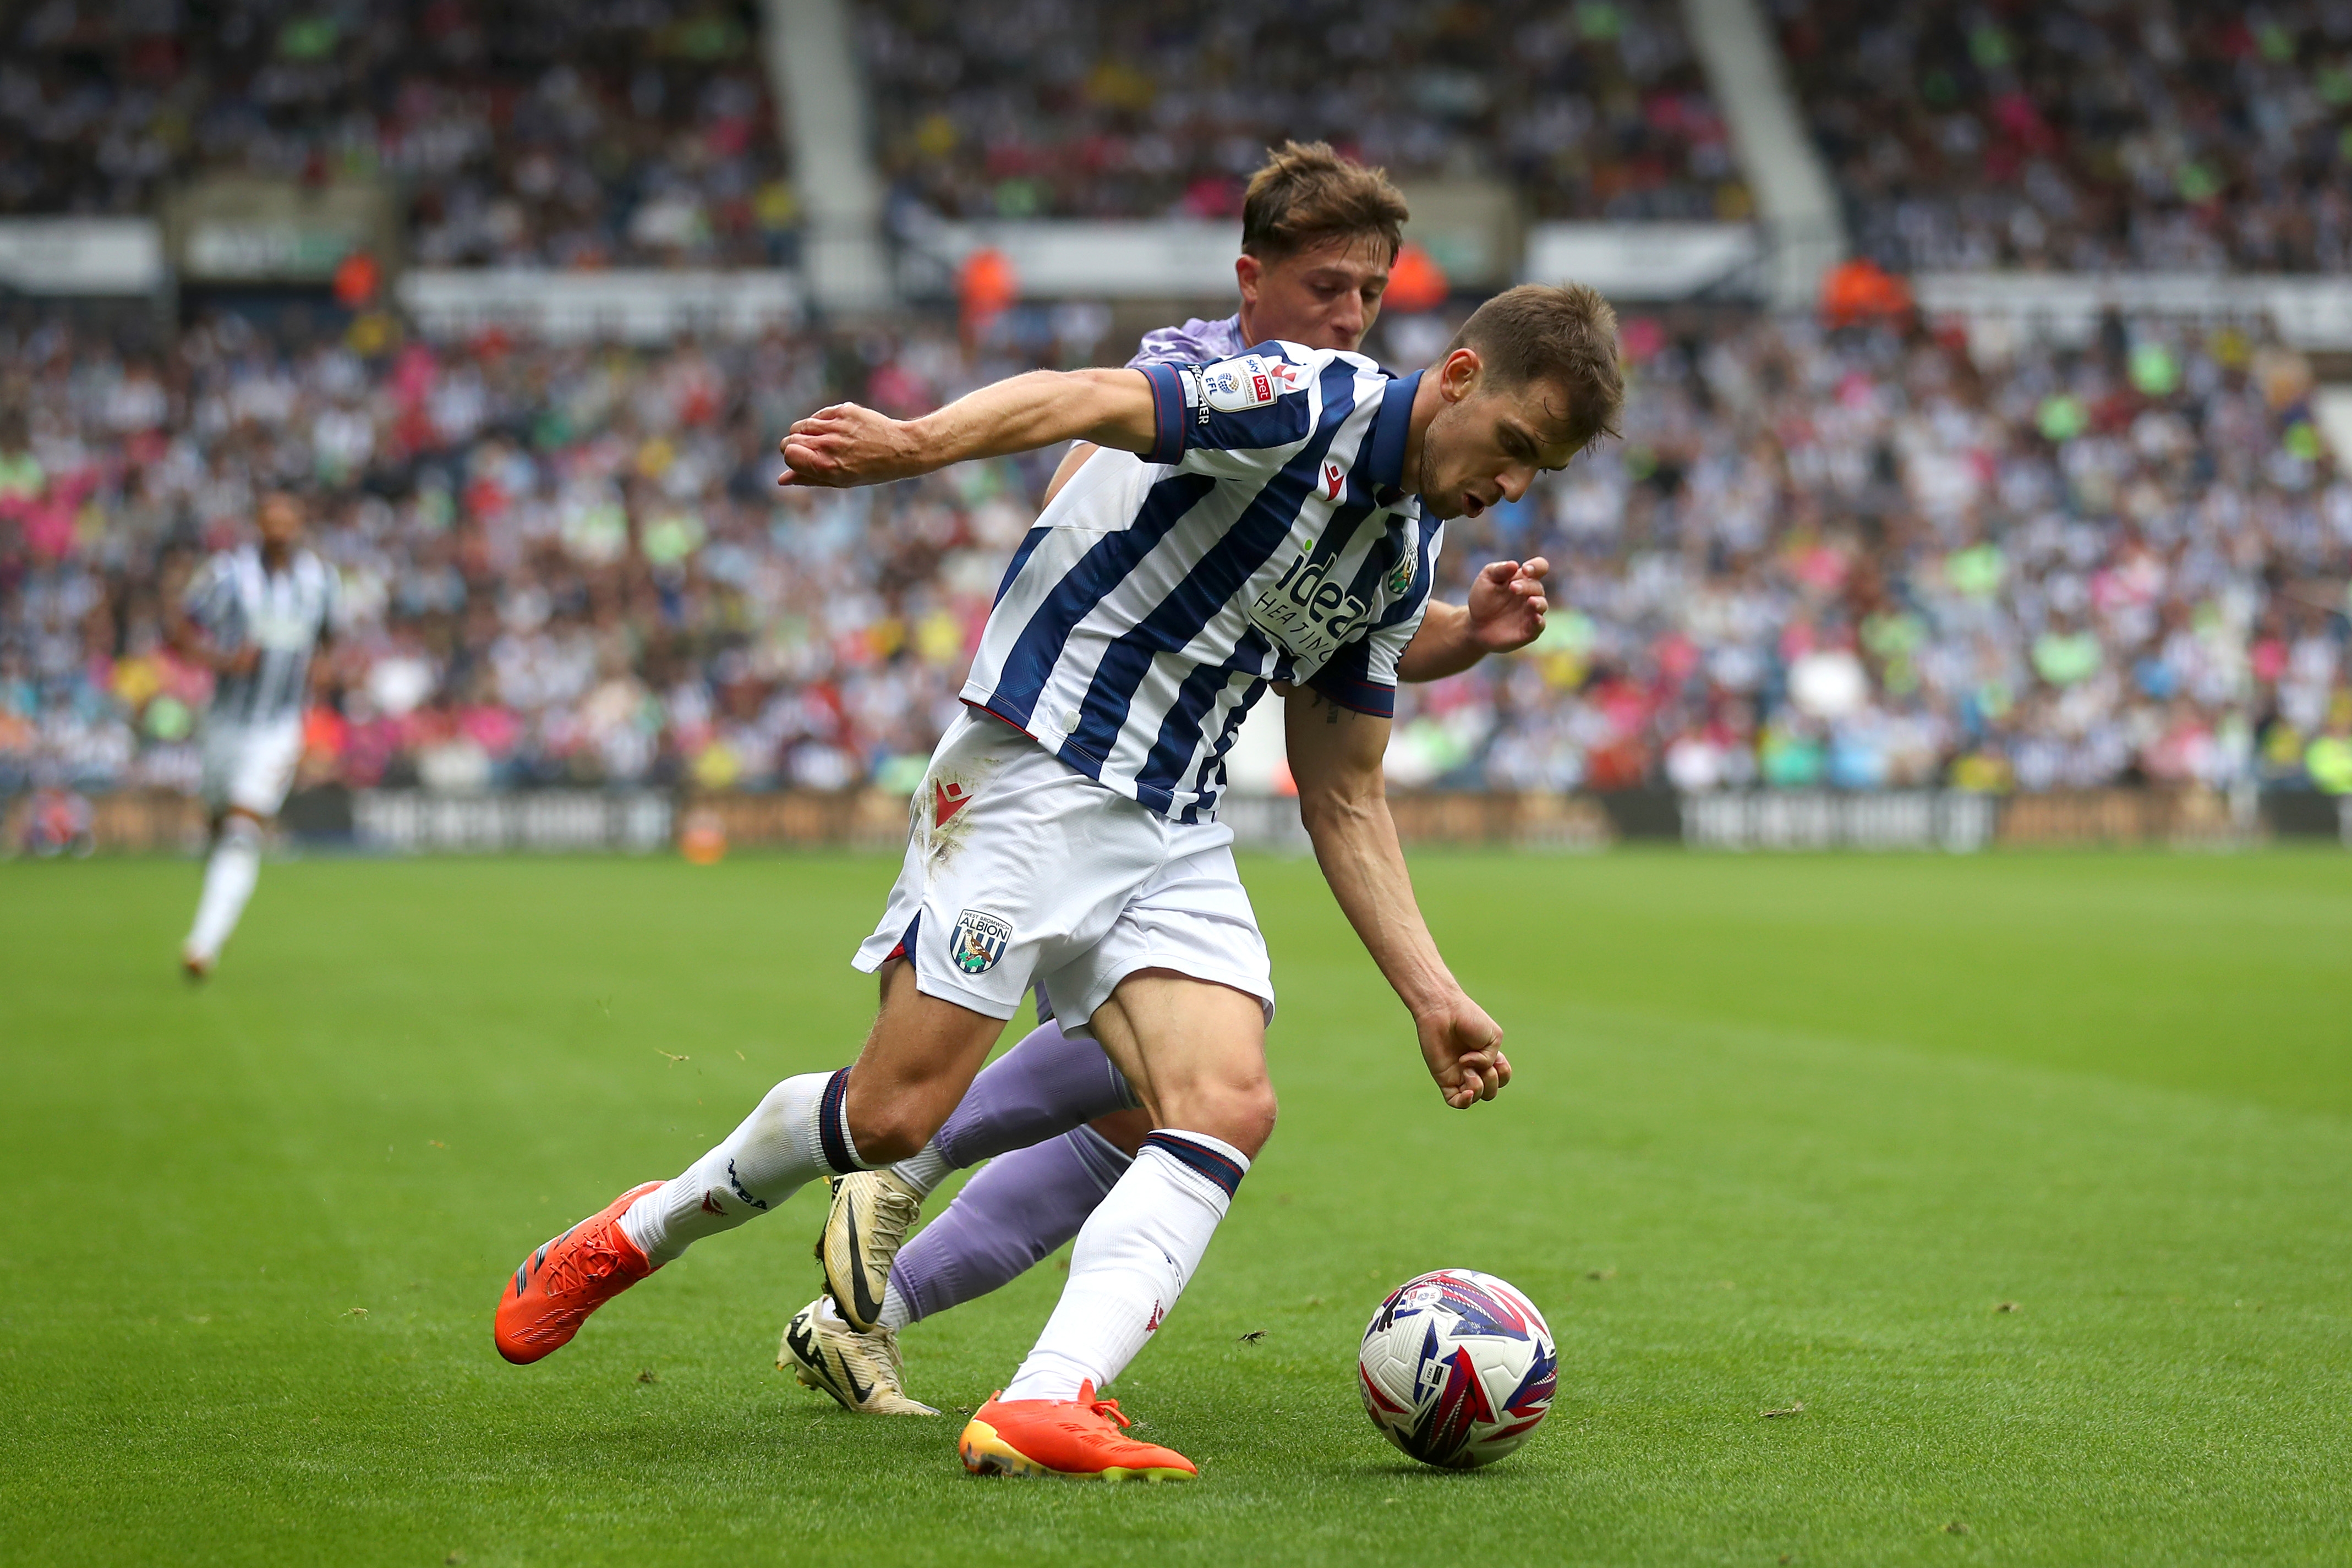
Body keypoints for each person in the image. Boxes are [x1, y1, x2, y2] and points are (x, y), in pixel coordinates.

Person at [492, 281, 1623, 1482]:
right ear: (1456, 378)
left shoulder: (1402, 559)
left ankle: (1046, 1399)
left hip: (1173, 825)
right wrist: (909, 446)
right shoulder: (1306, 397)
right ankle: (635, 1232)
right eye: (1511, 443)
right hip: (1039, 770)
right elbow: (1095, 398)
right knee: (889, 1115)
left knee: (1224, 1102)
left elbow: (1343, 791)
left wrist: (1431, 993)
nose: (1511, 485)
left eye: (1536, 472)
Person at [779, 144, 1556, 1416]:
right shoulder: (1211, 373)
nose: (1350, 314)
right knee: (1144, 1073)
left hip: (1169, 764)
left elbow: (1318, 616)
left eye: (1369, 292)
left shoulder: (1351, 429)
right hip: (1069, 745)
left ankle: (865, 1308)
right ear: (1252, 279)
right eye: (1326, 285)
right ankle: (896, 1192)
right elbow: (1109, 468)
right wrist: (917, 446)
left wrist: (1459, 638)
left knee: (1163, 1104)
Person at [170, 491, 337, 979]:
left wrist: (323, 672)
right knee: (221, 822)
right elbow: (181, 628)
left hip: (279, 725)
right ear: (259, 524)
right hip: (224, 720)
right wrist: (222, 661)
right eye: (272, 519)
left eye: (289, 519)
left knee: (244, 828)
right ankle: (218, 907)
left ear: (300, 524)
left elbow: (329, 640)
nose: (280, 527)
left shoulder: (321, 581)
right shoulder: (227, 575)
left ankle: (203, 944)